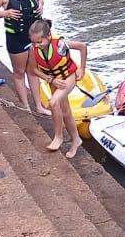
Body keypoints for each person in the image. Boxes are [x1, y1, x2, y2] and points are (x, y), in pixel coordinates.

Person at [27, 19, 86, 157]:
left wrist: (82, 68)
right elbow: (34, 70)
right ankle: (76, 140)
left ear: (48, 36)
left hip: (68, 77)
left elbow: (82, 46)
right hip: (54, 81)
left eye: (39, 42)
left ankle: (58, 136)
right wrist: (50, 79)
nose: (37, 45)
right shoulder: (33, 49)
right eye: (34, 42)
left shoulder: (60, 44)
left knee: (53, 103)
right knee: (65, 112)